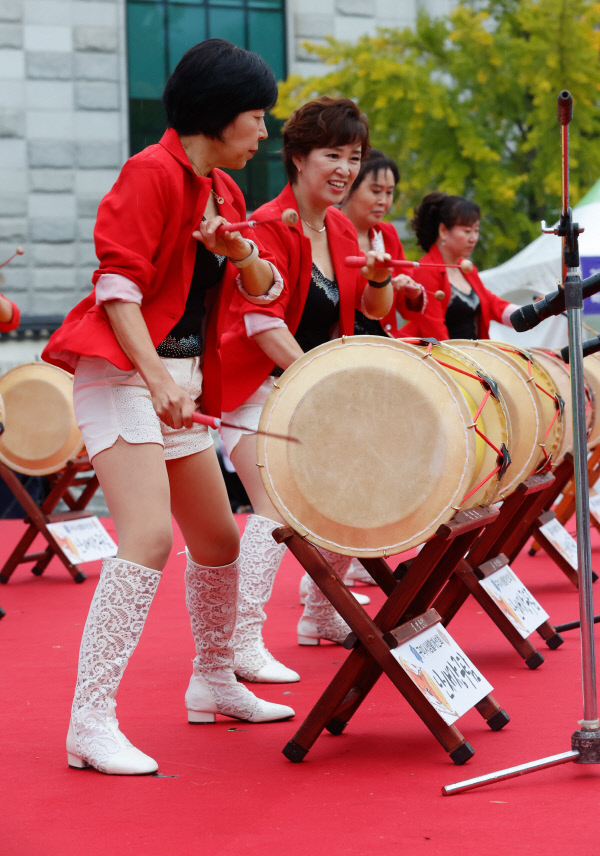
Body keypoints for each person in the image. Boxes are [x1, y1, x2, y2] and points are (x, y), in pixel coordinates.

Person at [41, 39, 295, 777]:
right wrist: (156, 380)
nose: (264, 131)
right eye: (256, 116)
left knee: (218, 540)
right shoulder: (150, 172)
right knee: (149, 537)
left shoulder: (227, 192)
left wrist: (238, 253)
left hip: (178, 382)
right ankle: (89, 722)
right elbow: (117, 289)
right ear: (218, 113)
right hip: (124, 376)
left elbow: (263, 289)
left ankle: (213, 681)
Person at [218, 97, 394, 684]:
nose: (346, 169)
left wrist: (378, 278)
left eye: (354, 157)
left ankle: (321, 612)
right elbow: (261, 326)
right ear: (297, 157)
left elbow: (372, 312)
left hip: (307, 390)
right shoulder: (269, 224)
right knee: (274, 508)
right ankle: (239, 643)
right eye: (332, 155)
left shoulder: (339, 225)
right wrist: (322, 386)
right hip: (255, 390)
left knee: (355, 485)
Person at [401, 191, 519, 340]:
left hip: (470, 351)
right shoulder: (426, 270)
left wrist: (534, 312)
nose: (473, 238)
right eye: (467, 231)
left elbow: (492, 304)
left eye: (476, 230)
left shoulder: (466, 268)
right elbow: (434, 331)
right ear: (443, 231)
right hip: (441, 353)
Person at [339, 149, 425, 338]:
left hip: (383, 340)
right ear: (348, 187)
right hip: (339, 341)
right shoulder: (327, 230)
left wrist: (412, 293)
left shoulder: (387, 234)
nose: (383, 201)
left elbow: (407, 310)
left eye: (389, 192)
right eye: (376, 191)